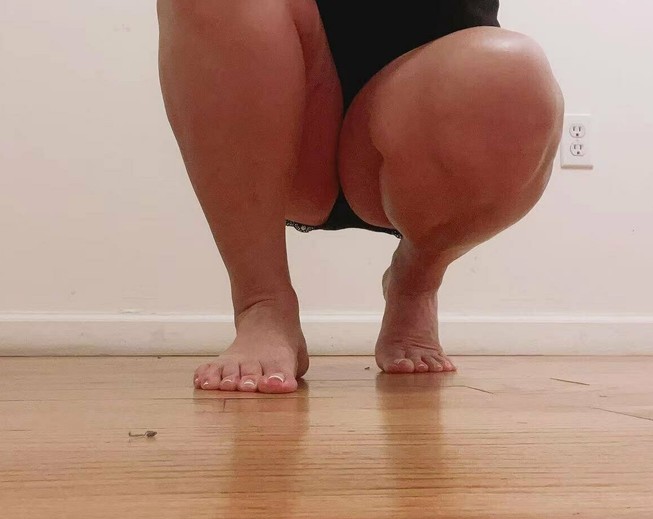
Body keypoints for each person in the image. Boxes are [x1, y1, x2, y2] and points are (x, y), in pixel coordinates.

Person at [157, 0, 563, 394]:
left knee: (511, 75)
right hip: (282, 90)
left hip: (427, 102)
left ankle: (416, 280)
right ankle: (262, 304)